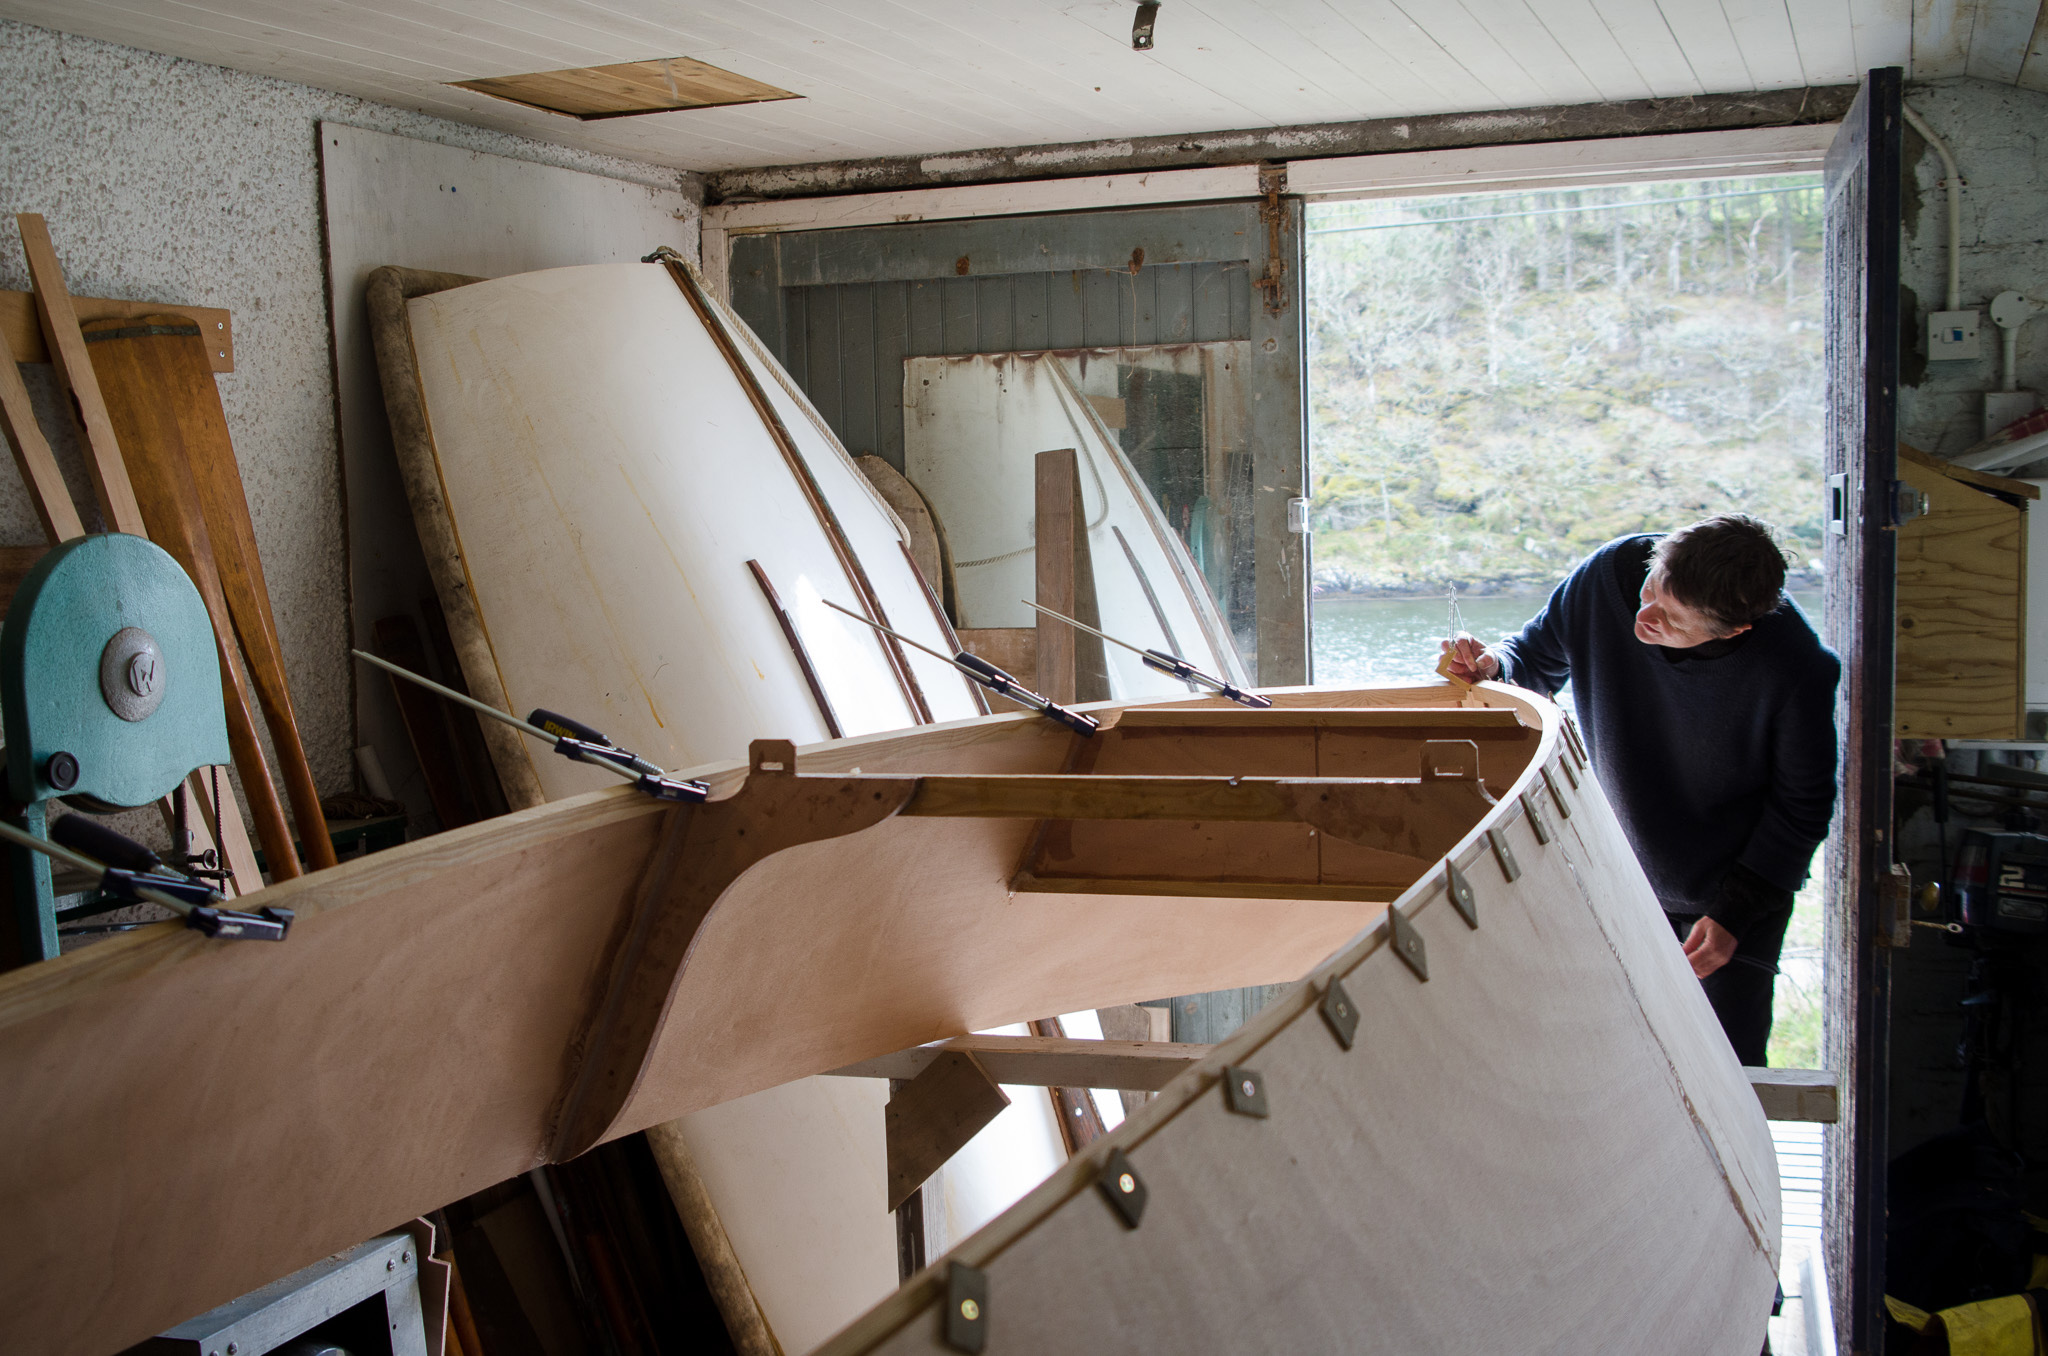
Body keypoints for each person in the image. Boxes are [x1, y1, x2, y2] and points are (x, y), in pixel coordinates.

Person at [1439, 514, 1840, 1066]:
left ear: (1734, 632)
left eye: (1673, 620)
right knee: (1613, 1061)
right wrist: (1493, 666)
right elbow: (1533, 657)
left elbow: (1804, 807)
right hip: (1620, 880)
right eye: (1654, 589)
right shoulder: (1611, 574)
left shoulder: (1796, 670)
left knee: (1727, 1070)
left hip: (1728, 905)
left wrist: (1734, 915)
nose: (1645, 617)